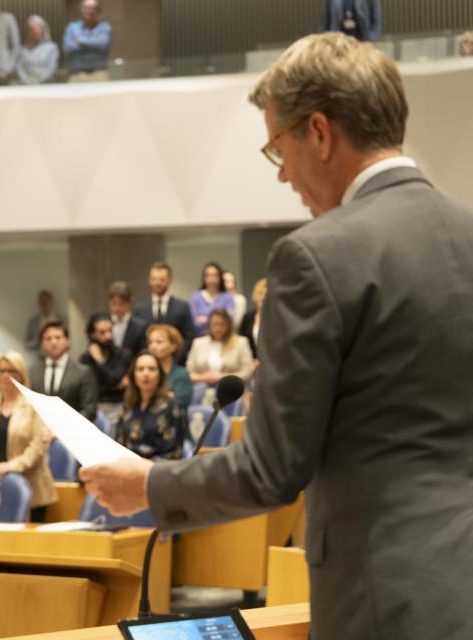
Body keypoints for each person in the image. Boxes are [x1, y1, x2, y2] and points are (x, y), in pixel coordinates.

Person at [78, 33, 473, 639]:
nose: (283, 174)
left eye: (278, 148)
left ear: (319, 131)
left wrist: (148, 486)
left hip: (383, 601)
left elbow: (269, 468)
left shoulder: (316, 257)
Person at [0, 351, 56, 522]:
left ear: (21, 374)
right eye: (1, 371)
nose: (5, 376)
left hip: (32, 485)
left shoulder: (34, 405)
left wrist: (10, 467)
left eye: (11, 371)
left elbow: (39, 444)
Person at [116, 351, 184, 460]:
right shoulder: (128, 404)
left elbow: (175, 451)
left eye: (152, 369)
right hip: (127, 467)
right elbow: (119, 443)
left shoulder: (172, 406)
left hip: (156, 470)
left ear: (160, 375)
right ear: (133, 375)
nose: (146, 373)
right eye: (140, 369)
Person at [28, 321, 97, 420]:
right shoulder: (32, 372)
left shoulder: (83, 372)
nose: (53, 342)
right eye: (48, 338)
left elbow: (89, 409)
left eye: (58, 337)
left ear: (67, 341)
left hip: (72, 430)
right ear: (42, 343)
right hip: (40, 431)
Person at [132, 261, 194, 362]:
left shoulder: (182, 307)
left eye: (162, 279)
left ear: (170, 280)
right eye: (154, 279)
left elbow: (189, 337)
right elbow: (137, 338)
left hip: (176, 362)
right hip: (147, 363)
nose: (157, 283)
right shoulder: (140, 308)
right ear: (149, 280)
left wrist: (176, 358)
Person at [79, 311, 131, 421]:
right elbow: (89, 390)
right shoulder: (86, 359)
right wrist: (115, 387)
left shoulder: (123, 354)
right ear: (92, 334)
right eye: (102, 332)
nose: (108, 336)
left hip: (118, 406)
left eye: (110, 330)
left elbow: (113, 380)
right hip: (95, 408)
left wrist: (100, 362)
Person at [186, 309, 254, 385]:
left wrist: (222, 377)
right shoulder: (198, 343)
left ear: (228, 325)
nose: (218, 329)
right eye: (215, 324)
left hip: (230, 388)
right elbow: (188, 372)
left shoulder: (241, 342)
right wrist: (205, 377)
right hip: (201, 388)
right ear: (209, 325)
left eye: (222, 324)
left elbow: (247, 372)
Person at [63, 0, 111, 83]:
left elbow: (103, 45)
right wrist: (95, 41)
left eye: (93, 8)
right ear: (81, 10)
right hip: (76, 74)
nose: (90, 11)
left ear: (98, 11)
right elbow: (67, 48)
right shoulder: (72, 27)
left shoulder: (105, 27)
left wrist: (79, 40)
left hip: (99, 74)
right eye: (86, 8)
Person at [145, 323, 192, 408]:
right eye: (150, 342)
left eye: (159, 342)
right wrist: (168, 395)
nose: (152, 346)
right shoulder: (145, 372)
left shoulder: (181, 374)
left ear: (173, 346)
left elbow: (180, 403)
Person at [189, 262, 236, 337]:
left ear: (220, 277)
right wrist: (219, 316)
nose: (212, 279)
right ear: (204, 278)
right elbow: (195, 323)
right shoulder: (196, 297)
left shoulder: (228, 296)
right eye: (208, 276)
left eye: (215, 275)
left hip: (224, 338)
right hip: (201, 338)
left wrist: (204, 318)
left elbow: (229, 319)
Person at [107, 281, 148, 358]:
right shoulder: (103, 323)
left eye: (121, 304)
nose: (117, 308)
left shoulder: (140, 327)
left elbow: (142, 354)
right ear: (109, 303)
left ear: (129, 303)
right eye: (114, 303)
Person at [16, 14, 57, 85]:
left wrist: (36, 81)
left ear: (43, 30)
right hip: (26, 86)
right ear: (28, 31)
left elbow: (51, 69)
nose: (36, 31)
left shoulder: (51, 48)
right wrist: (27, 80)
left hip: (46, 85)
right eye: (32, 29)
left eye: (39, 28)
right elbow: (19, 68)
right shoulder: (22, 50)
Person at [238, 278, 266, 359]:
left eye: (266, 295)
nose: (262, 298)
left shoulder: (276, 318)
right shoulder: (247, 318)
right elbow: (242, 340)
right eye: (260, 294)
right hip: (251, 363)